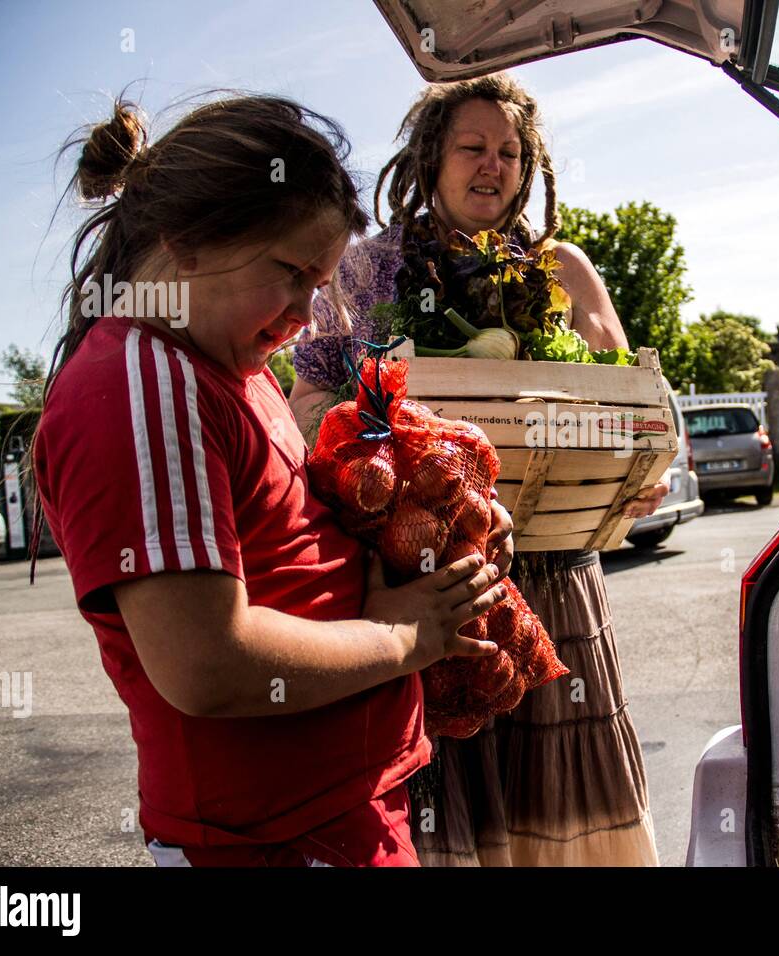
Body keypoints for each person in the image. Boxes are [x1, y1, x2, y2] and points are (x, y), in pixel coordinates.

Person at [30, 95, 514, 867]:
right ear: (188, 242)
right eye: (291, 272)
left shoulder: (231, 364)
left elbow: (290, 552)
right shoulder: (140, 383)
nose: (305, 312)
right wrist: (402, 637)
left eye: (318, 282)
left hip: (337, 813)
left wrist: (439, 520)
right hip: (269, 836)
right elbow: (208, 665)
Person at [290, 73, 666, 867]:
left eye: (509, 151)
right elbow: (309, 397)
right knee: (447, 807)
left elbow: (636, 399)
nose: (492, 165)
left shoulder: (560, 265)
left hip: (557, 582)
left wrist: (650, 467)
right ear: (431, 158)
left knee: (562, 806)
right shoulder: (368, 270)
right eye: (472, 147)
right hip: (431, 585)